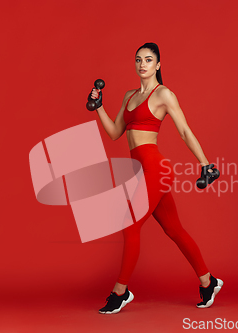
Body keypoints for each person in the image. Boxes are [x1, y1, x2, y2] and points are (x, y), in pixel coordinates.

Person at [91, 42, 223, 314]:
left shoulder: (164, 95)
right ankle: (208, 282)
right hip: (138, 173)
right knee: (174, 230)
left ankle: (120, 291)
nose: (142, 64)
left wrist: (205, 164)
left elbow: (184, 131)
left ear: (158, 65)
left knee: (130, 225)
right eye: (138, 59)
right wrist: (99, 107)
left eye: (148, 60)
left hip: (155, 169)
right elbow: (115, 133)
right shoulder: (129, 96)